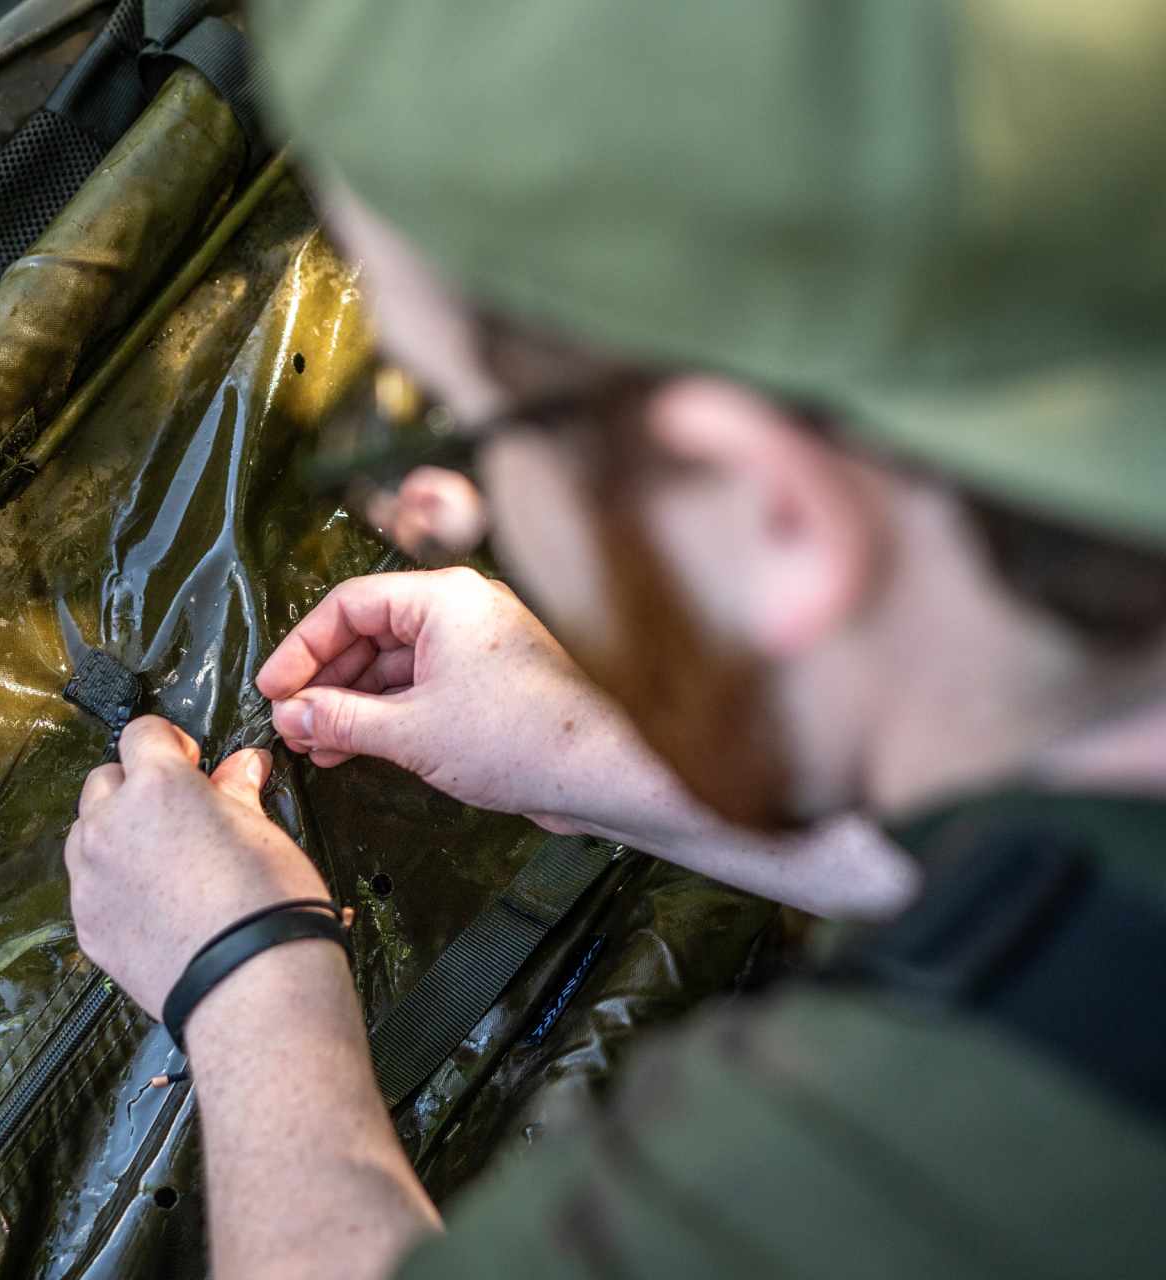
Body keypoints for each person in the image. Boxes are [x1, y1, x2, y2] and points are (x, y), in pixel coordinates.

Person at [61, 0, 1166, 1275]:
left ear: (773, 509)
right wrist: (606, 760)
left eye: (464, 429)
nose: (430, 507)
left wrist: (246, 975)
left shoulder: (918, 1177)